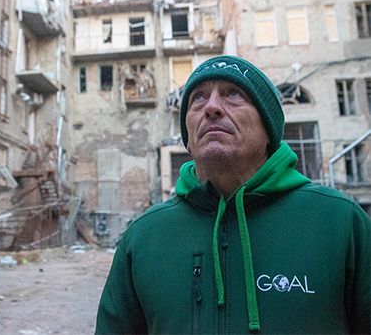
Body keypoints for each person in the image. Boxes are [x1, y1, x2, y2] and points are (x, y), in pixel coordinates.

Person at [95, 55, 371, 334]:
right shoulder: (144, 236)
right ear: (188, 138)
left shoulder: (340, 223)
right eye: (198, 99)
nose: (212, 107)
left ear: (269, 129)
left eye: (234, 94)